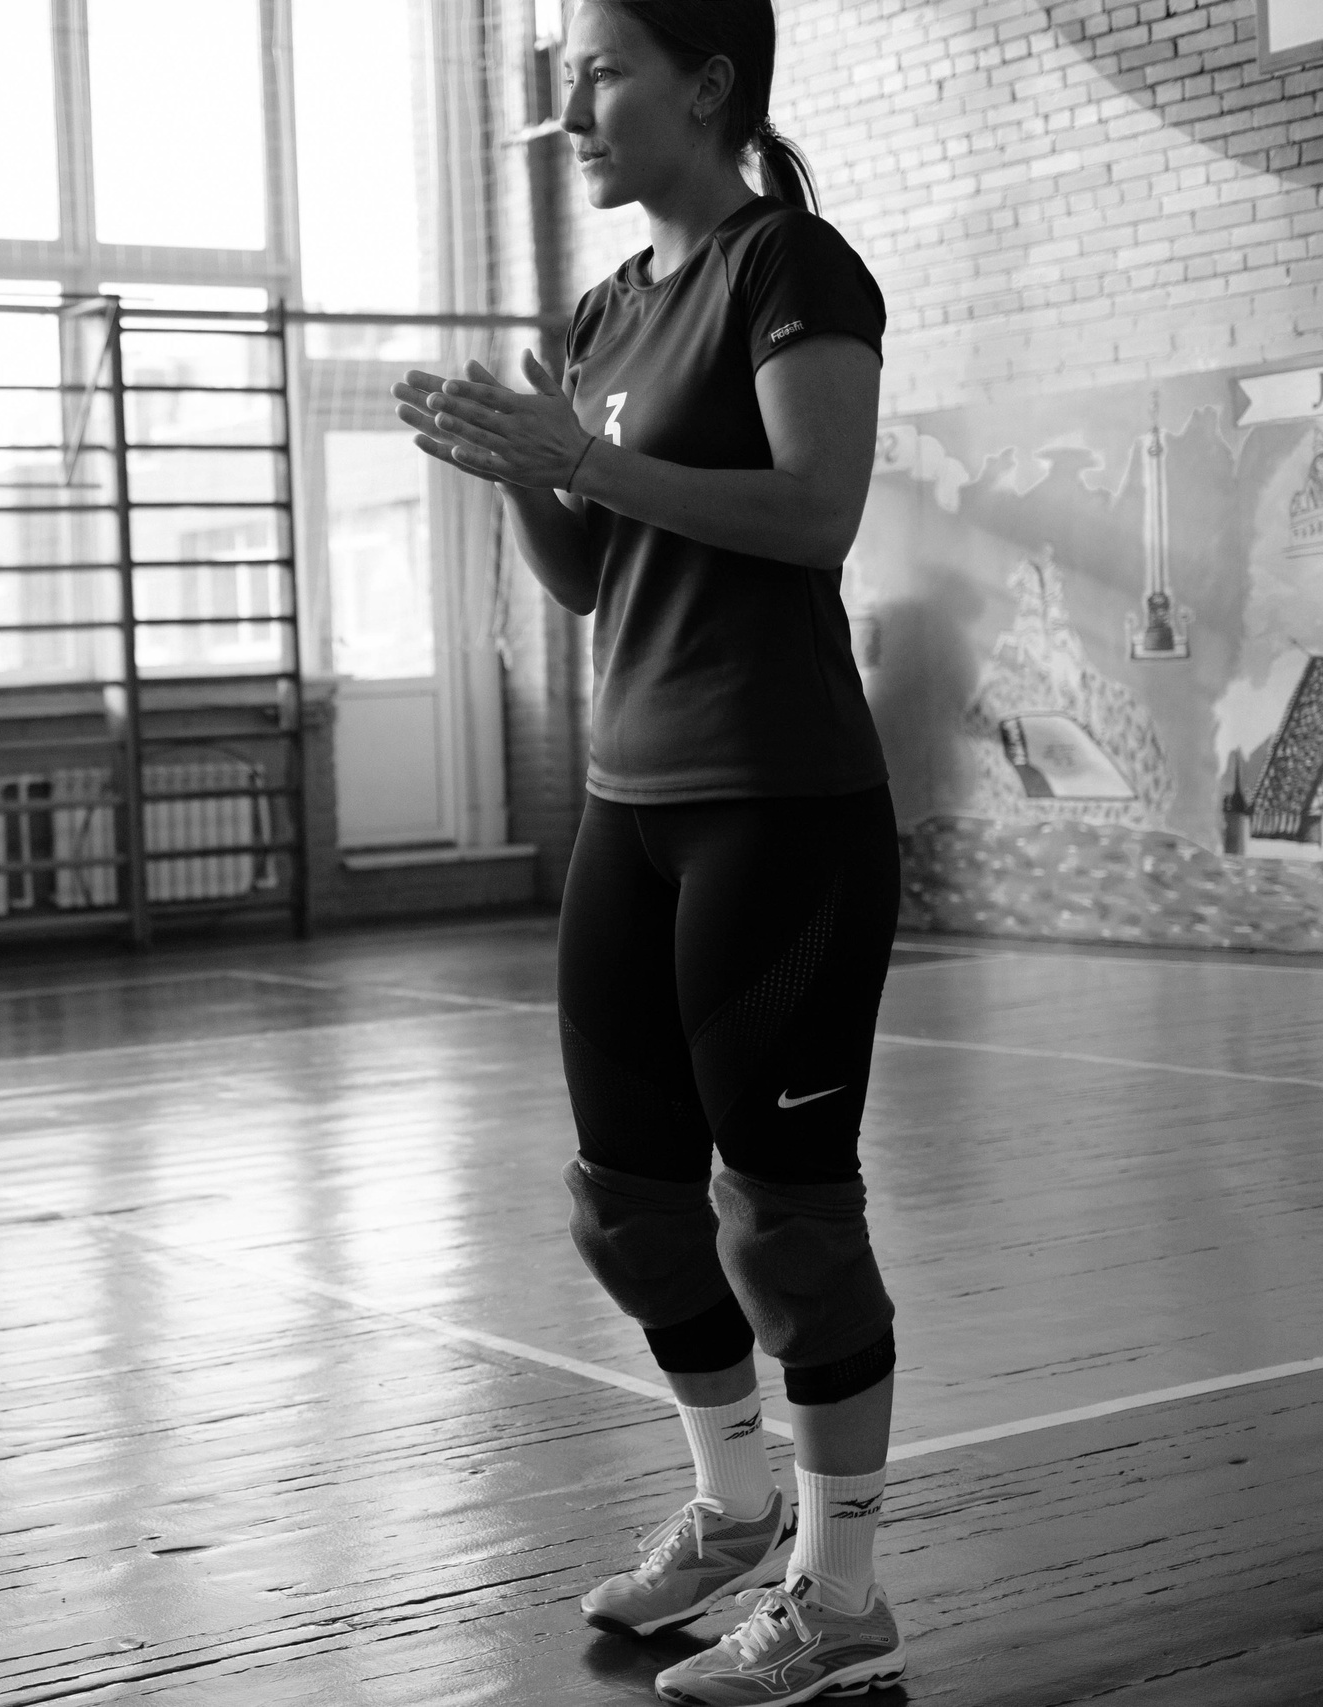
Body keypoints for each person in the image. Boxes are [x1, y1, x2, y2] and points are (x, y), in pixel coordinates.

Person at [394, 3, 906, 1700]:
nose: (573, 114)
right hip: (631, 803)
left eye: (600, 76)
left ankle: (842, 1596)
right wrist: (519, 469)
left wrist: (588, 453)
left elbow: (814, 512)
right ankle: (733, 1506)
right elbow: (588, 573)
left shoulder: (792, 267)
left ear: (707, 83)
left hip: (782, 803)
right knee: (626, 1205)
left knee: (786, 1222)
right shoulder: (605, 307)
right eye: (564, 85)